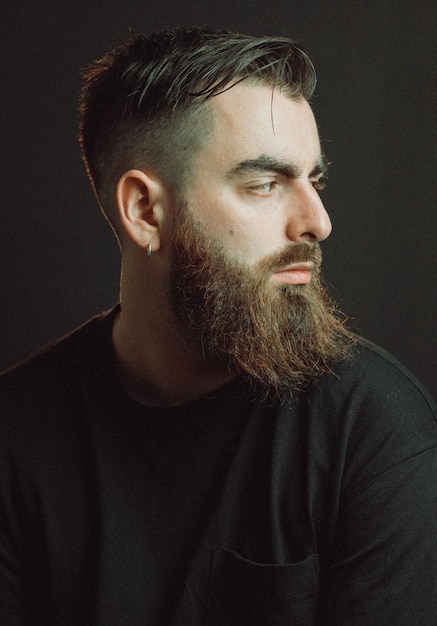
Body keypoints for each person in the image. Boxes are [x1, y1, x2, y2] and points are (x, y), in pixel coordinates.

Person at [0, 26, 435, 625]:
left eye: (315, 180)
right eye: (265, 183)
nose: (318, 221)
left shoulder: (374, 429)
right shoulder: (16, 436)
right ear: (146, 211)